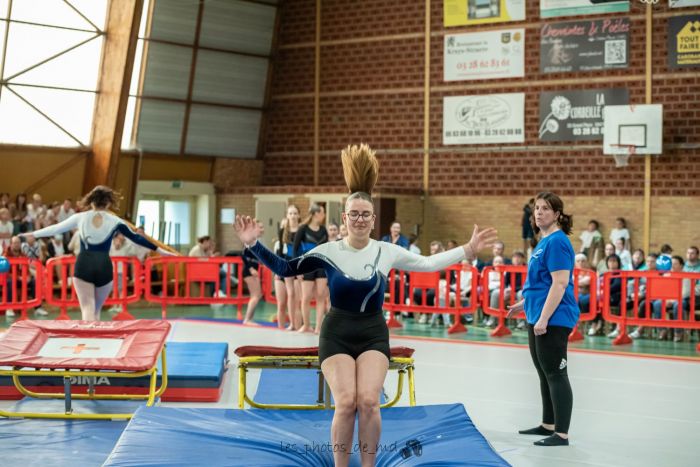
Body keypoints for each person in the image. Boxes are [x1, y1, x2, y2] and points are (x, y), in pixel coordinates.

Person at [234, 144, 497, 467]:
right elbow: (287, 269)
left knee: (369, 401)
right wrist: (252, 244)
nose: (359, 219)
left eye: (365, 214)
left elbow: (428, 264)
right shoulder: (329, 250)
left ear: (374, 219)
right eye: (353, 214)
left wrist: (467, 250)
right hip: (337, 333)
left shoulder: (387, 251)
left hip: (373, 332)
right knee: (346, 402)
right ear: (344, 218)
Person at [20, 186, 174, 320]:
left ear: (91, 201)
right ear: (108, 203)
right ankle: (96, 343)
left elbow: (55, 229)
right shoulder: (116, 221)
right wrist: (161, 251)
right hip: (104, 267)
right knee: (96, 310)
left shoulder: (80, 217)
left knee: (87, 309)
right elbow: (136, 238)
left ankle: (89, 341)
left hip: (84, 266)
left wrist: (33, 234)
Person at [507, 192, 578, 447]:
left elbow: (559, 284)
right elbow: (542, 283)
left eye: (545, 209)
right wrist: (523, 304)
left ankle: (561, 434)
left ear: (557, 214)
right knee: (543, 372)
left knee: (556, 373)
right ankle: (548, 424)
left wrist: (544, 318)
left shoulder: (557, 242)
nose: (538, 213)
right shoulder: (543, 241)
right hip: (537, 313)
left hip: (554, 318)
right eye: (536, 208)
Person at [293, 203, 329, 333]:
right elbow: (295, 250)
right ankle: (306, 325)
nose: (324, 215)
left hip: (320, 266)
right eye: (322, 212)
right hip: (306, 266)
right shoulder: (303, 229)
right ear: (315, 214)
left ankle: (318, 327)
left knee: (321, 296)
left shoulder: (324, 230)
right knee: (306, 297)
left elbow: (326, 250)